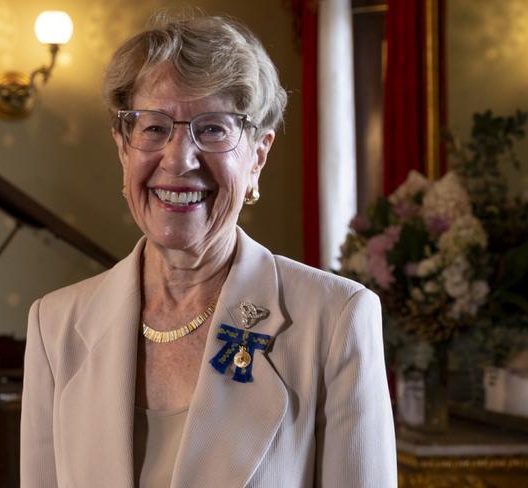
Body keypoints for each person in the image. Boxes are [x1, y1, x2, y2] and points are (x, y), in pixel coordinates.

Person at [21, 14, 396, 488]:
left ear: (258, 154)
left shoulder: (336, 319)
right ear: (123, 148)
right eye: (154, 128)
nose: (179, 159)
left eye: (214, 129)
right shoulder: (54, 326)